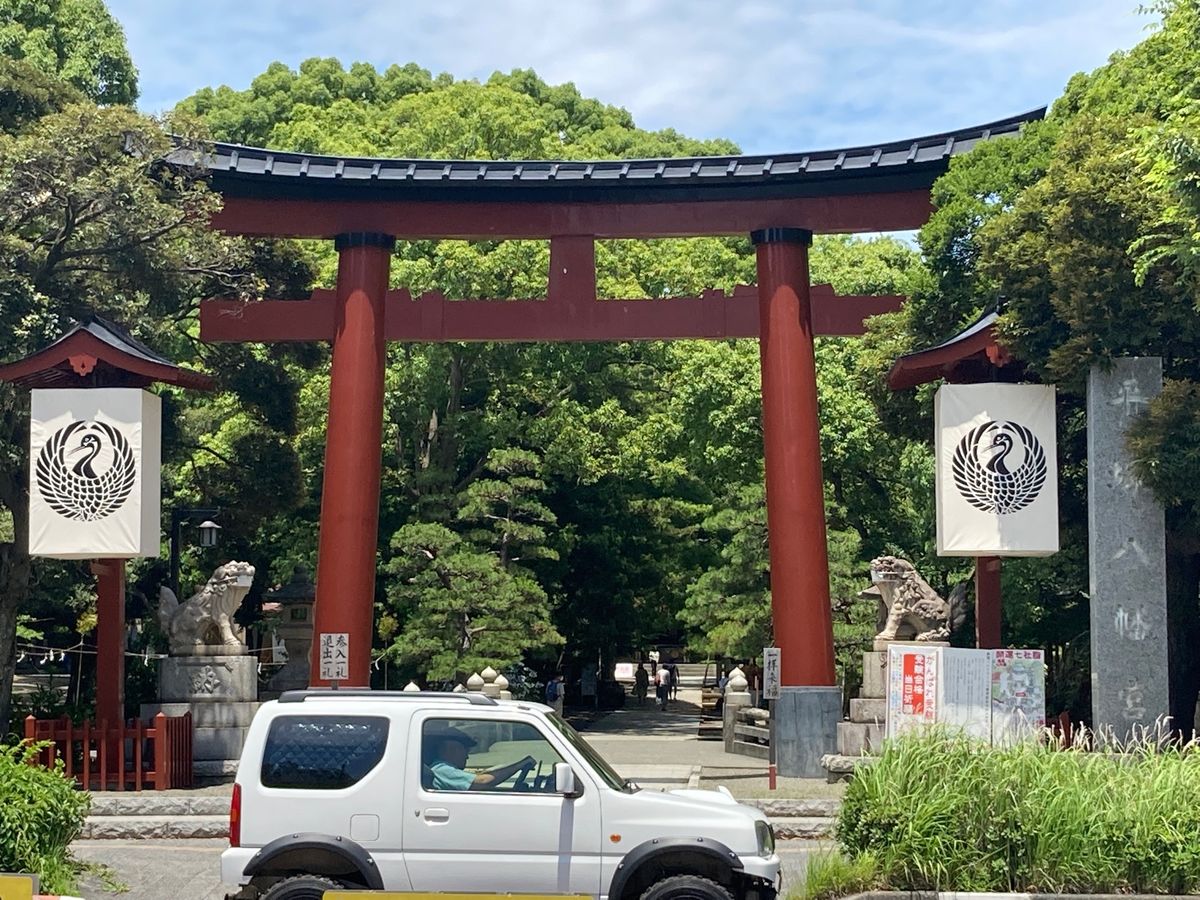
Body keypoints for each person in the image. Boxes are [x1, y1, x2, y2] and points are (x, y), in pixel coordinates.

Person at [425, 726, 536, 791]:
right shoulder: (442, 770)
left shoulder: (443, 769)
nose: (467, 756)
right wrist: (520, 765)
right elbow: (483, 781)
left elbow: (480, 776)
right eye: (465, 751)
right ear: (452, 749)